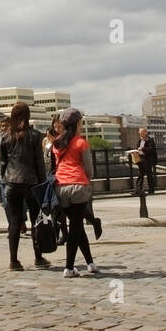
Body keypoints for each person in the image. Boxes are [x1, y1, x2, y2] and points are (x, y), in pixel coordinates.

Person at [0, 103, 50, 271]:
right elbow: (39, 163)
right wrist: (43, 184)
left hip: (12, 183)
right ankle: (38, 257)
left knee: (14, 221)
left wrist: (5, 180)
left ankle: (13, 260)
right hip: (31, 182)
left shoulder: (5, 138)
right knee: (35, 220)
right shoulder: (35, 136)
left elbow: (3, 163)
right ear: (27, 116)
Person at [52, 108, 97, 277]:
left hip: (61, 187)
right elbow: (89, 168)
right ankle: (69, 267)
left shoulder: (57, 143)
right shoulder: (81, 143)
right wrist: (89, 180)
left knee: (77, 226)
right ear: (78, 123)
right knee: (75, 228)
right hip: (78, 186)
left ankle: (90, 262)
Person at [135, 127, 158, 196]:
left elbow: (151, 149)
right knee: (140, 175)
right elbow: (138, 149)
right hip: (141, 159)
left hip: (147, 159)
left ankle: (151, 190)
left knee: (149, 174)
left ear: (146, 132)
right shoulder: (140, 141)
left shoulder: (150, 140)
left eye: (142, 132)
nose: (141, 134)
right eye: (140, 133)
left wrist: (143, 149)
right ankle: (138, 190)